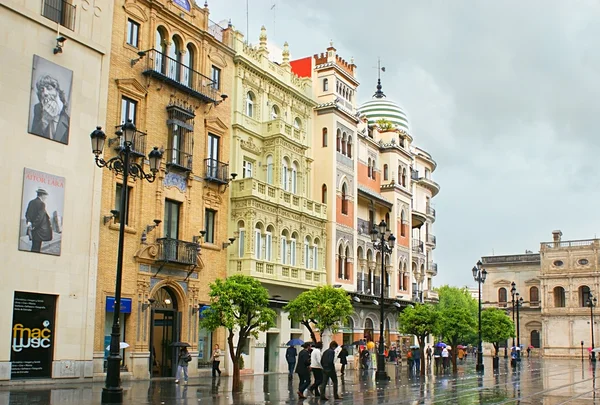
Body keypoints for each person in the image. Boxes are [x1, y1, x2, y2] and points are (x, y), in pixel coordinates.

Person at [30, 74, 70, 144]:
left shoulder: (67, 120)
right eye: (42, 90)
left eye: (49, 88)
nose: (45, 93)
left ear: (57, 92)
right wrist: (45, 120)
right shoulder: (38, 110)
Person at [25, 188, 53, 252]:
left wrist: (29, 223)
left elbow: (27, 214)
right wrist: (34, 226)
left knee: (34, 245)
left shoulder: (31, 202)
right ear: (42, 195)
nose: (45, 197)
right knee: (36, 248)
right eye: (45, 195)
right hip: (38, 230)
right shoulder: (42, 204)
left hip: (32, 228)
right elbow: (40, 218)